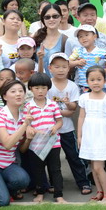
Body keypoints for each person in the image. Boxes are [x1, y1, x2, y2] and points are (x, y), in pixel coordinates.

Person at [77, 66, 106, 202]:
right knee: (93, 166)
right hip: (89, 134)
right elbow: (81, 117)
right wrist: (79, 136)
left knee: (98, 166)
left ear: (105, 81)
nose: (96, 82)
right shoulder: (84, 98)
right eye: (92, 80)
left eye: (99, 79)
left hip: (103, 134)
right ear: (87, 81)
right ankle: (99, 192)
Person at [47, 57, 91, 195]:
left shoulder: (72, 86)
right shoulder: (47, 85)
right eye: (57, 67)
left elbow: (72, 109)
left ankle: (83, 182)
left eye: (64, 67)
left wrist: (67, 104)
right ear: (50, 68)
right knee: (52, 159)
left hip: (67, 128)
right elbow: (46, 108)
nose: (61, 70)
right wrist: (63, 112)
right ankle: (54, 183)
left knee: (74, 156)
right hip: (51, 128)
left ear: (68, 68)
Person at [24, 73, 66, 203]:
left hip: (53, 143)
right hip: (36, 144)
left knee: (55, 169)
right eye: (37, 88)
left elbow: (59, 121)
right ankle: (40, 193)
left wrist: (55, 127)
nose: (40, 91)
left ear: (48, 88)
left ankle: (59, 195)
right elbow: (26, 125)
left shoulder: (53, 104)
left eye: (43, 88)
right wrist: (32, 129)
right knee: (38, 169)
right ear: (31, 88)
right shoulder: (28, 106)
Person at [69, 25, 106, 93]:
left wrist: (100, 71)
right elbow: (68, 63)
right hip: (84, 85)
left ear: (94, 36)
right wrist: (77, 63)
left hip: (100, 85)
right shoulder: (78, 51)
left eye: (86, 35)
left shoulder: (102, 52)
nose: (84, 38)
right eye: (80, 36)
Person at [33, 4, 69, 77]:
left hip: (58, 82)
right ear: (43, 19)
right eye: (47, 17)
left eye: (55, 16)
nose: (51, 19)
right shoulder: (36, 38)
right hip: (39, 81)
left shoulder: (65, 40)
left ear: (61, 18)